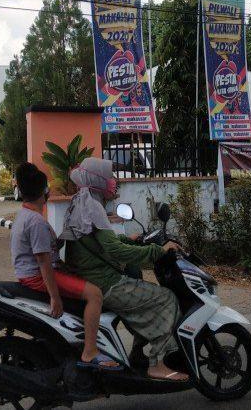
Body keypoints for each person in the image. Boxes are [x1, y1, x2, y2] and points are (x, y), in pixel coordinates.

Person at [60, 157, 189, 381]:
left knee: (142, 298)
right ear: (97, 180)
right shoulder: (92, 206)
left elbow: (102, 243)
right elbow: (115, 251)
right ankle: (156, 363)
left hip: (89, 275)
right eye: (110, 177)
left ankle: (137, 354)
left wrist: (132, 241)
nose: (114, 181)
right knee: (166, 298)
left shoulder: (83, 201)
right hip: (105, 281)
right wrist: (157, 251)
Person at [11, 162, 120, 371]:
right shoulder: (36, 222)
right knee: (95, 294)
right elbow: (44, 263)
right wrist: (55, 297)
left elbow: (48, 249)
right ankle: (90, 352)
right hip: (38, 276)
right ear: (46, 192)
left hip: (30, 273)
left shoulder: (25, 215)